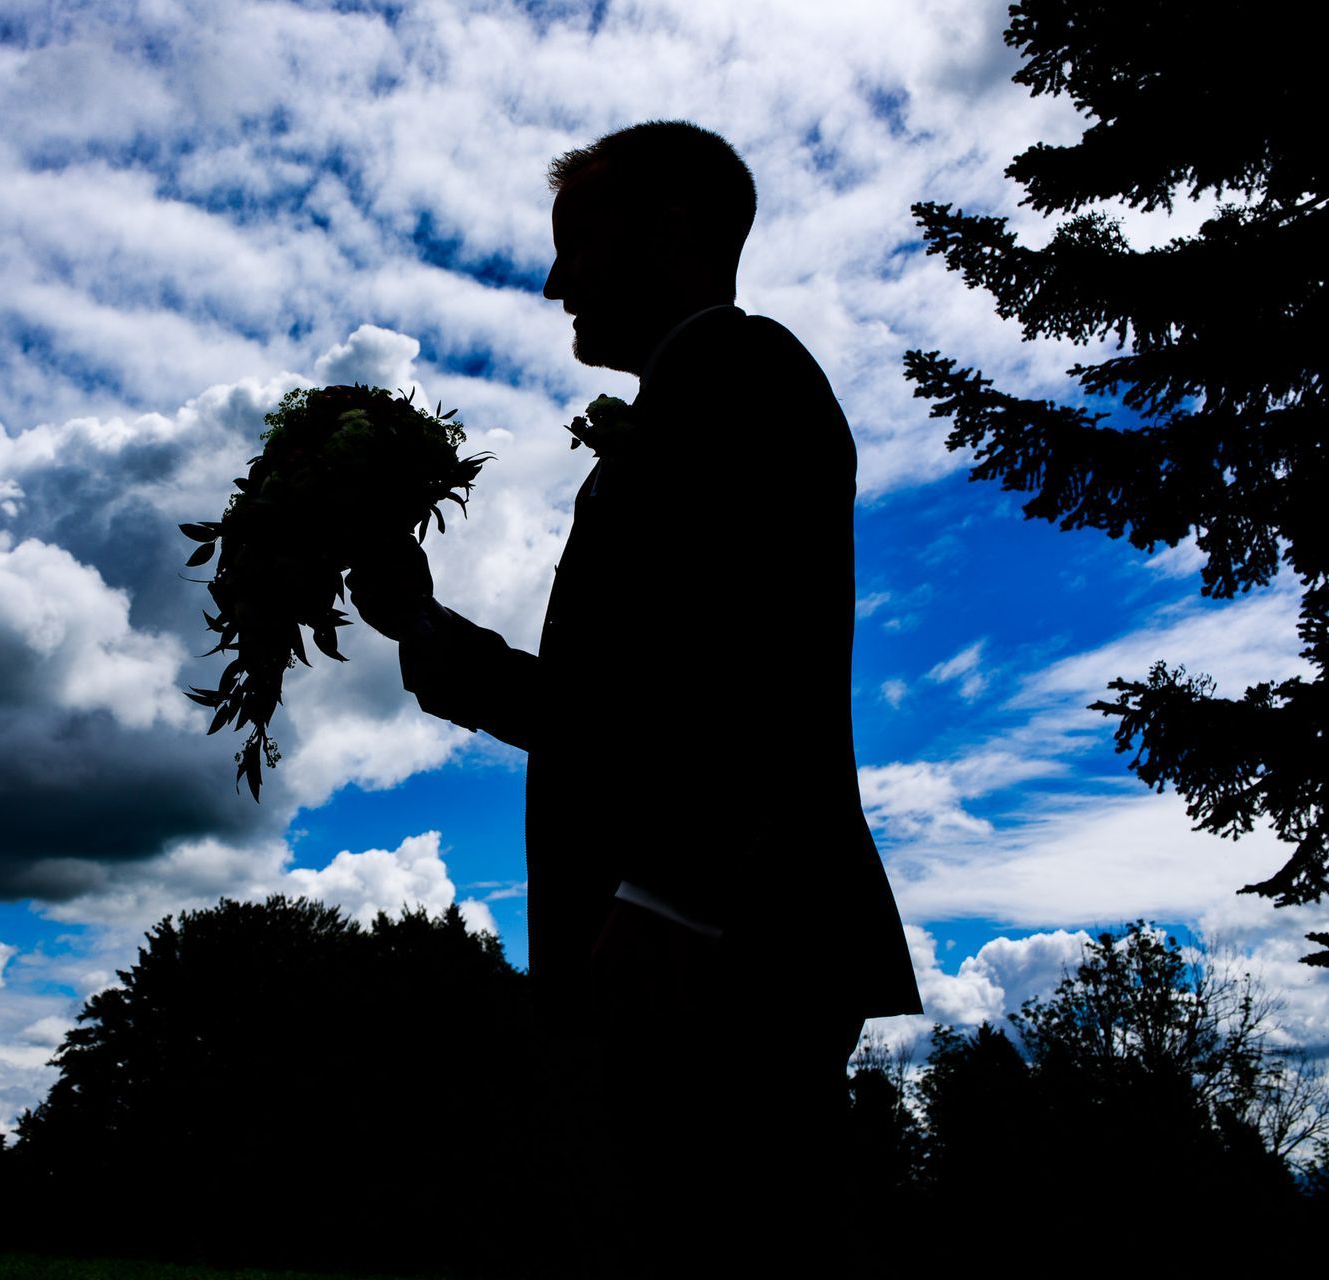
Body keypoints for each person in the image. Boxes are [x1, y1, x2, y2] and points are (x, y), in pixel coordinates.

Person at [349, 121, 921, 1269]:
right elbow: (614, 709)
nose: (557, 280)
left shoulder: (747, 373)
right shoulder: (687, 402)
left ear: (667, 231)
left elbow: (761, 654)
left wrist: (674, 892)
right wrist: (421, 623)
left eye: (578, 242)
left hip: (724, 943)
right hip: (682, 943)